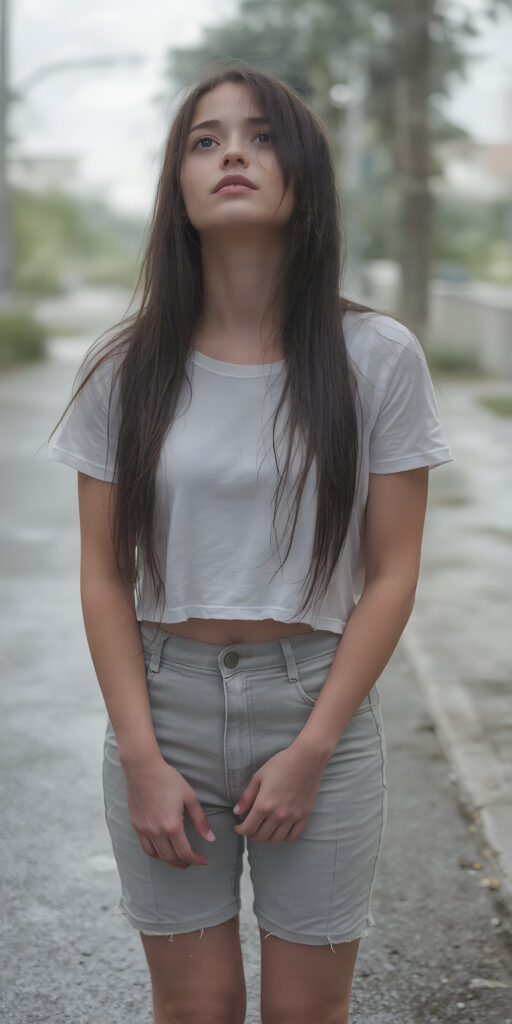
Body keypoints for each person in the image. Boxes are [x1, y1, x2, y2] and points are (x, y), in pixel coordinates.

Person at [46, 60, 454, 1024]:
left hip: (317, 707)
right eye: (206, 139)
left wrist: (313, 746)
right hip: (165, 712)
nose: (234, 151)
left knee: (308, 1012)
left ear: (304, 177)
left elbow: (393, 573)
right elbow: (102, 575)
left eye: (263, 135)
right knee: (196, 1009)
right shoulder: (125, 366)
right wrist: (142, 757)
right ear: (178, 189)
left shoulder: (377, 357)